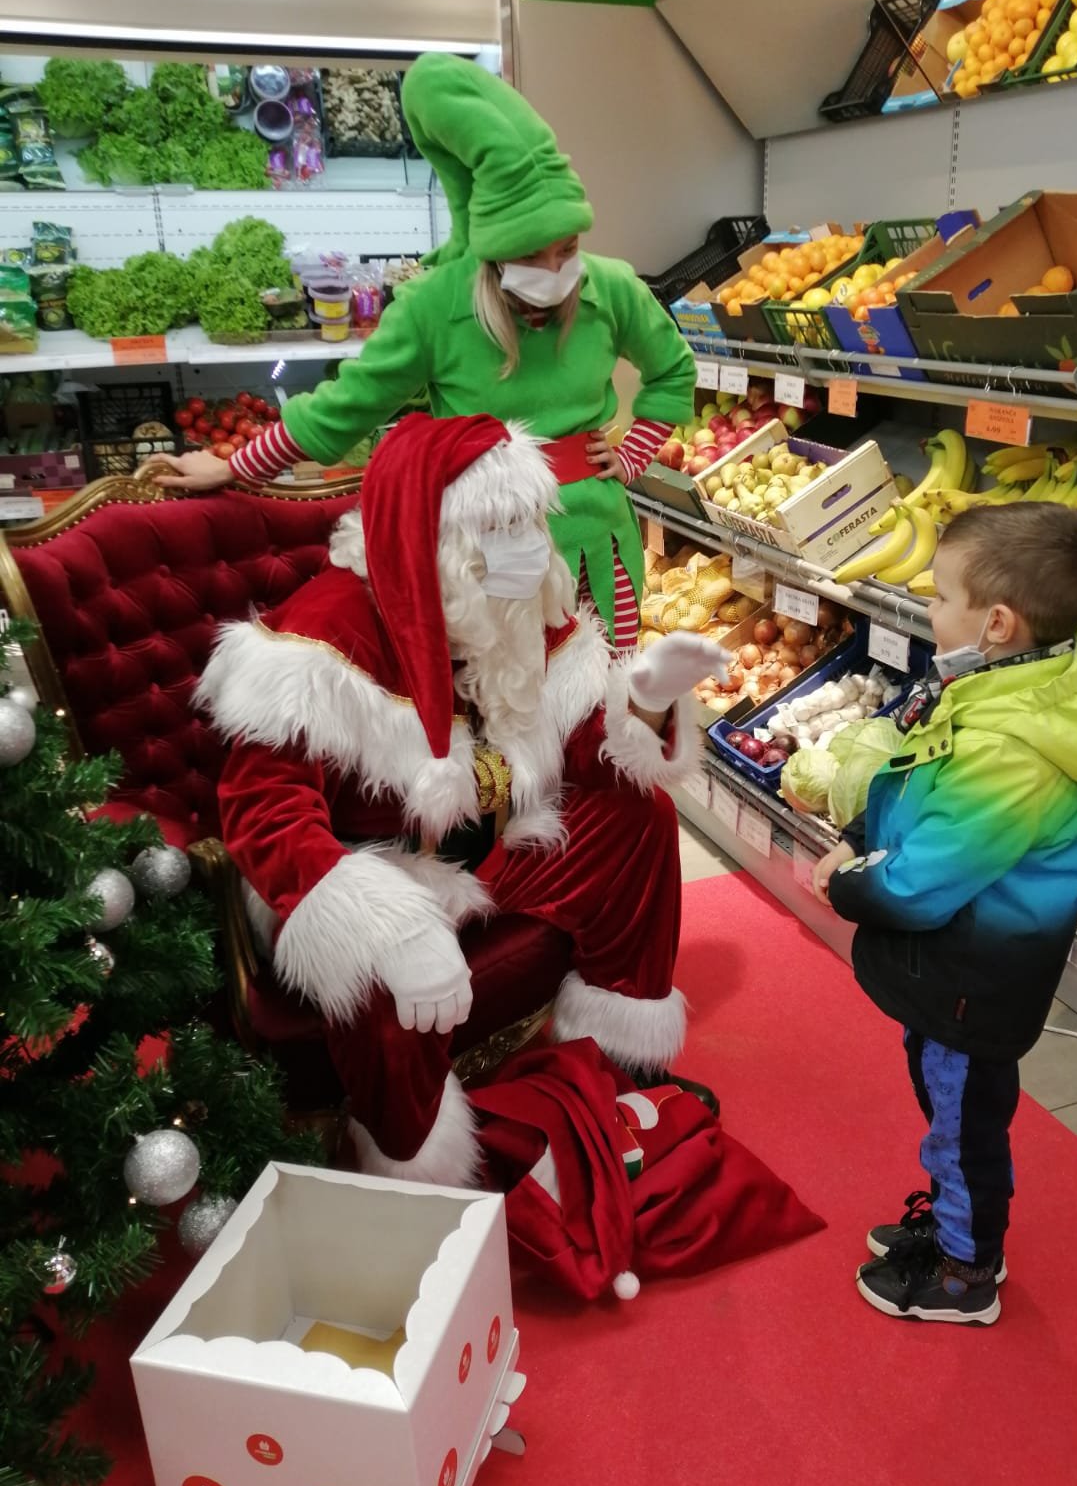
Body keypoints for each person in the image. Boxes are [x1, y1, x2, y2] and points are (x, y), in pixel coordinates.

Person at [196, 412, 726, 1186]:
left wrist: (643, 701)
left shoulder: (520, 607)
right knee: (374, 967)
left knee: (637, 816)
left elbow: (582, 749)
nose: (531, 544)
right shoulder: (324, 637)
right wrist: (389, 925)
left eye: (530, 521)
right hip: (367, 868)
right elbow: (262, 809)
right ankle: (416, 1172)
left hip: (492, 845)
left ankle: (612, 1053)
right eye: (503, 527)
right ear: (434, 542)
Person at [163, 53, 694, 651]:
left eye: (566, 248)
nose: (554, 271)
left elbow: (673, 371)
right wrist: (234, 465)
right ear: (492, 250)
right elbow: (344, 408)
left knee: (603, 710)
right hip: (483, 557)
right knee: (504, 721)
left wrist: (629, 458)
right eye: (528, 255)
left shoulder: (613, 287)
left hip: (597, 547)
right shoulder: (434, 308)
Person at [810, 502, 1077, 1326]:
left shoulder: (1009, 750)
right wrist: (869, 825)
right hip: (968, 956)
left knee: (962, 1123)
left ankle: (968, 1272)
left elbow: (926, 883)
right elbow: (929, 783)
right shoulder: (1018, 681)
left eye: (939, 597)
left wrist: (848, 877)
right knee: (947, 1102)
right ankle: (954, 1222)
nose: (930, 609)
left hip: (974, 969)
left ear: (997, 622)